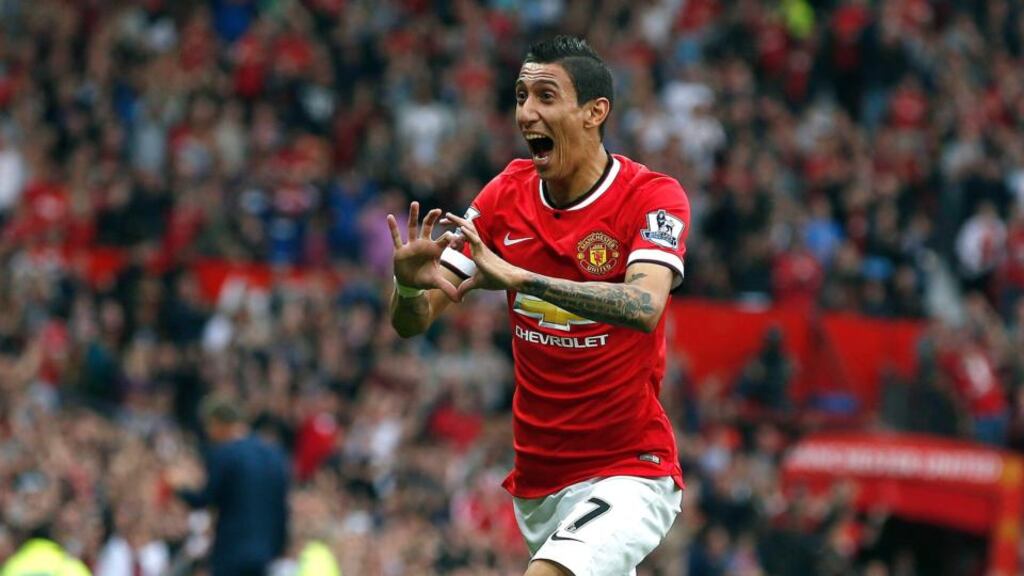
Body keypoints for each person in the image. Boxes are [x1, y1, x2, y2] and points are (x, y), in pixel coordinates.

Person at [387, 36, 689, 576]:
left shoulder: (652, 197)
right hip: (538, 484)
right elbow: (414, 322)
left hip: (630, 472)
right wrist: (409, 287)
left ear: (595, 112)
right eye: (521, 95)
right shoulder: (506, 195)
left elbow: (645, 305)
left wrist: (523, 279)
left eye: (546, 96)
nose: (528, 112)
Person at [168, 395, 290, 576]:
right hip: (266, 552)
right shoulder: (275, 455)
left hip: (231, 552)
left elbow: (204, 500)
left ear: (217, 423)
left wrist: (179, 487)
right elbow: (282, 508)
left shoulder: (225, 453)